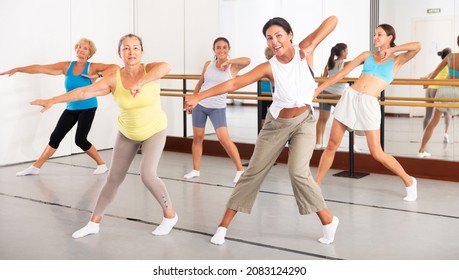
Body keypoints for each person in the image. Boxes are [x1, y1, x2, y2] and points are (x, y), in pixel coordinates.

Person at [186, 15, 340, 245]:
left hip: (305, 121)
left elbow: (332, 20)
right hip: (276, 123)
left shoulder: (304, 52)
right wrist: (200, 95)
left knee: (298, 172)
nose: (274, 41)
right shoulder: (269, 67)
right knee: (253, 173)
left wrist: (307, 43)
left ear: (290, 35)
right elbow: (233, 84)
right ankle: (223, 225)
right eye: (269, 38)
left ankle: (328, 220)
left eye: (279, 35)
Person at [31, 34, 178, 238]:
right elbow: (83, 92)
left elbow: (166, 66)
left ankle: (170, 215)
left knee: (147, 174)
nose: (131, 52)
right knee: (113, 178)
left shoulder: (150, 69)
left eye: (135, 48)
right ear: (120, 53)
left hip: (154, 130)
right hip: (127, 132)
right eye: (126, 48)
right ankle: (94, 223)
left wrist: (141, 83)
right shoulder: (113, 78)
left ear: (142, 52)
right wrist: (53, 100)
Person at [315, 24, 421, 202]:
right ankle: (315, 185)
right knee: (332, 144)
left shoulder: (397, 60)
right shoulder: (367, 55)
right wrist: (319, 90)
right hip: (350, 97)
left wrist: (393, 50)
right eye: (374, 35)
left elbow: (417, 45)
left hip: (369, 103)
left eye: (379, 34)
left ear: (390, 37)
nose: (375, 38)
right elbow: (341, 74)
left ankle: (409, 181)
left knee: (377, 152)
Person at [1, 38, 119, 176]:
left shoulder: (92, 67)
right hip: (71, 108)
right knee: (55, 137)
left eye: (85, 48)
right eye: (79, 47)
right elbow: (41, 68)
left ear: (90, 53)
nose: (81, 49)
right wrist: (18, 69)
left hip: (88, 107)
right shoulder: (66, 66)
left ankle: (101, 164)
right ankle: (36, 167)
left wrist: (98, 75)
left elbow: (115, 68)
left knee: (80, 140)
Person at [183, 37, 250, 183]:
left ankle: (240, 170)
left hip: (217, 108)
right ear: (214, 50)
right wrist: (192, 101)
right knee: (197, 138)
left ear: (228, 49)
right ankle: (195, 170)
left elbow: (248, 60)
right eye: (218, 47)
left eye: (224, 47)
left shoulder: (233, 67)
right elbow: (201, 83)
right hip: (200, 105)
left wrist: (229, 61)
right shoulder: (208, 64)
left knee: (224, 139)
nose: (221, 50)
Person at [419, 37, 459, 158]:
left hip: (445, 90)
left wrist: (427, 82)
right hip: (457, 91)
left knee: (434, 121)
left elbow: (435, 72)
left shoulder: (450, 56)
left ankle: (421, 151)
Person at [315, 43, 351, 150]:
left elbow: (322, 79)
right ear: (343, 51)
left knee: (322, 120)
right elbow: (362, 61)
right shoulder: (345, 64)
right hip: (337, 96)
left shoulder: (329, 64)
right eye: (347, 50)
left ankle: (318, 143)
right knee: (349, 119)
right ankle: (352, 145)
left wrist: (317, 93)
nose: (348, 52)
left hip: (325, 94)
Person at [260, 47, 274, 126]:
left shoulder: (264, 66)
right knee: (275, 115)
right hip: (270, 93)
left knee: (263, 115)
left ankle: (263, 129)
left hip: (263, 93)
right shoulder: (275, 66)